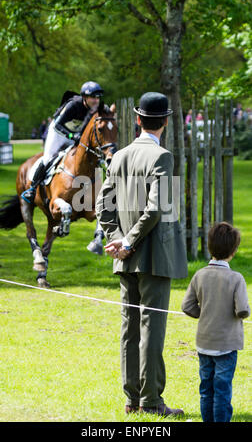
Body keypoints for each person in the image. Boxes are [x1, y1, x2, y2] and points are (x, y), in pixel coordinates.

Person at [96, 92, 188, 417]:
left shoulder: (118, 156)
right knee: (150, 328)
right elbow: (156, 209)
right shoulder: (162, 156)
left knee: (129, 328)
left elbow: (101, 205)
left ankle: (131, 400)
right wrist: (129, 241)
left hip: (125, 255)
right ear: (165, 121)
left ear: (137, 120)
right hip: (152, 256)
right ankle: (150, 401)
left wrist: (118, 240)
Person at [181, 222, 251, 422]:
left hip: (204, 343)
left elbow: (187, 306)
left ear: (209, 247)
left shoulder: (199, 275)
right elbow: (243, 310)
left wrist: (204, 314)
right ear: (234, 251)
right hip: (227, 346)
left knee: (206, 389)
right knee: (222, 390)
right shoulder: (236, 278)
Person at [21, 81, 104, 204]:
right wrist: (71, 135)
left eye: (98, 98)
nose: (96, 100)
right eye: (93, 97)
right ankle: (33, 188)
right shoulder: (73, 105)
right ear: (85, 98)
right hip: (58, 133)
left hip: (75, 135)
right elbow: (58, 124)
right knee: (48, 158)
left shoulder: (95, 109)